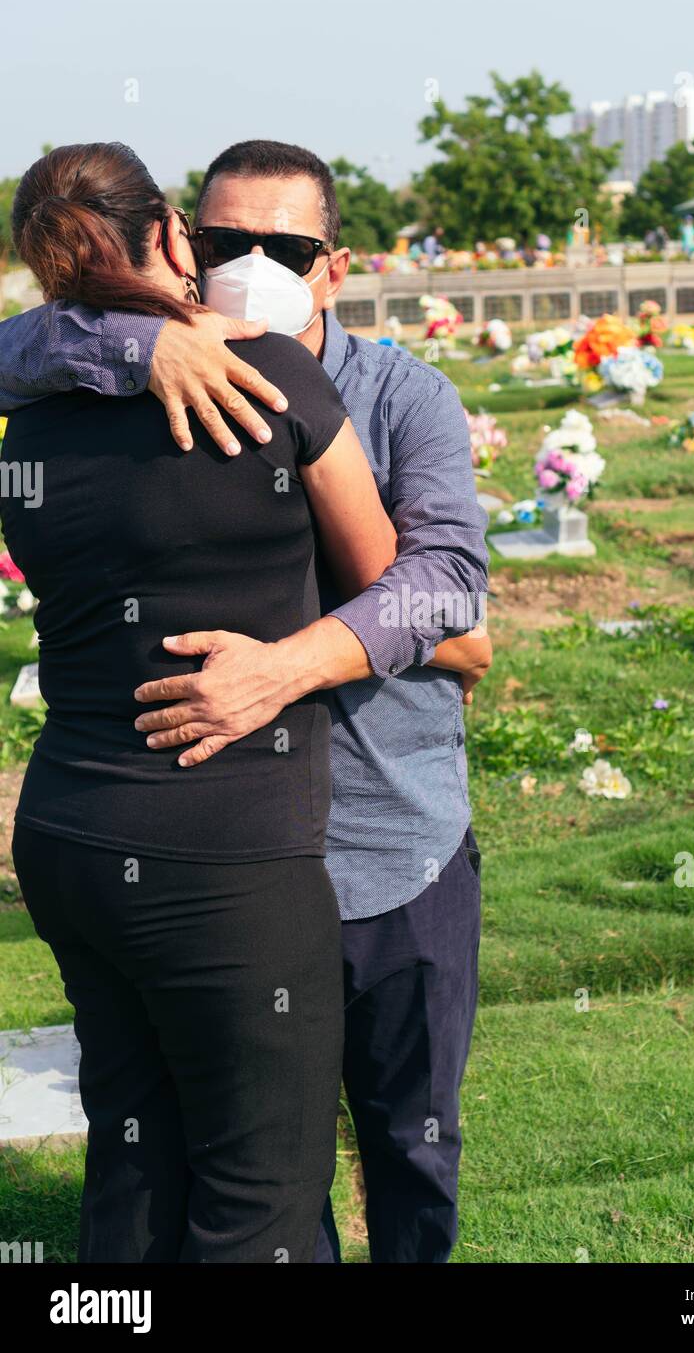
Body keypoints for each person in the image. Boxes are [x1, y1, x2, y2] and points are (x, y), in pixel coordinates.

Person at [0, 138, 490, 1264]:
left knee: (404, 1137)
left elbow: (448, 590)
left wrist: (291, 663)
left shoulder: (400, 394)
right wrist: (136, 337)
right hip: (231, 854)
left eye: (286, 246)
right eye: (229, 243)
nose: (253, 263)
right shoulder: (113, 363)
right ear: (182, 241)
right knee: (255, 1173)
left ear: (335, 265)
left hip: (382, 833)